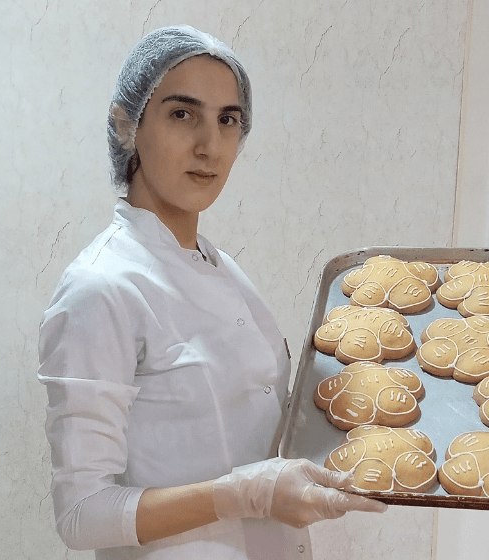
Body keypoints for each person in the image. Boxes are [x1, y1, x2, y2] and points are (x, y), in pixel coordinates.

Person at [37, 25, 387, 560]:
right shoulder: (101, 290)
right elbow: (82, 514)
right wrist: (242, 495)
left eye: (229, 120)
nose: (210, 144)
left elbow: (256, 421)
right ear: (126, 122)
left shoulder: (221, 268)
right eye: (183, 113)